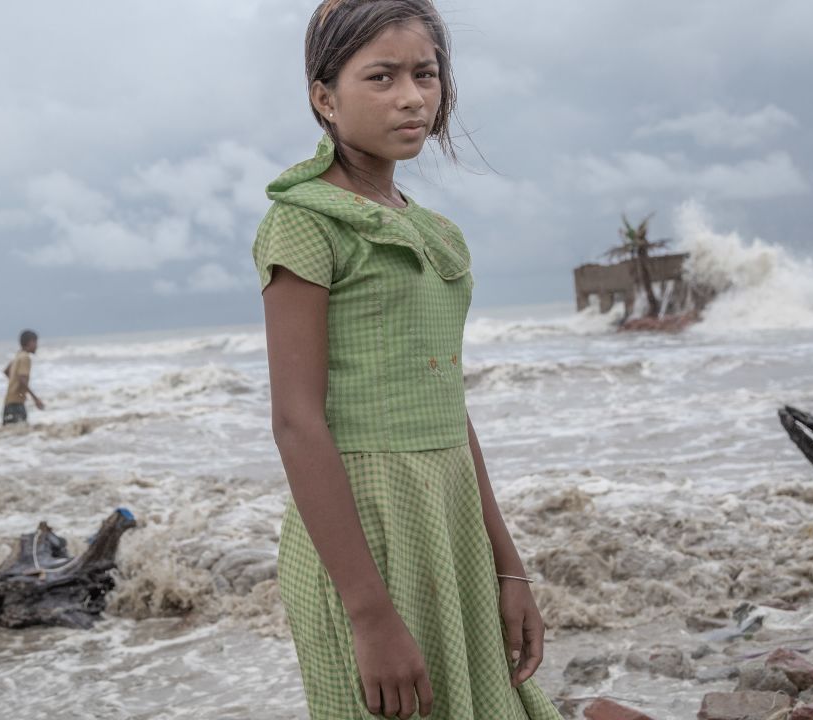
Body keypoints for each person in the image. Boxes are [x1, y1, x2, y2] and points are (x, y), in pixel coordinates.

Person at [252, 2, 562, 718]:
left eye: (426, 74)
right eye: (382, 77)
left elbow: (448, 405)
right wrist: (368, 615)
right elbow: (297, 423)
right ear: (324, 99)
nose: (412, 97)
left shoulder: (432, 231)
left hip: (448, 522)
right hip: (366, 536)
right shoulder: (303, 222)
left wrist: (509, 566)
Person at [2, 329, 44, 425]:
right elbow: (22, 379)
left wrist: (14, 384)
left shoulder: (18, 355)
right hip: (17, 403)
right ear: (30, 342)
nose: (37, 346)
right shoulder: (25, 358)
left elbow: (6, 371)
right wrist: (36, 399)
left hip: (8, 402)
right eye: (35, 342)